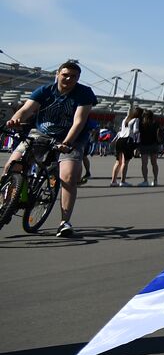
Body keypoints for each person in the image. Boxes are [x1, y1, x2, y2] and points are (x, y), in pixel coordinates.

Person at [3, 60, 96, 237]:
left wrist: (67, 143)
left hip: (71, 138)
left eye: (73, 76)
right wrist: (14, 120)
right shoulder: (45, 90)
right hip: (41, 133)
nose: (68, 78)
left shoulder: (84, 93)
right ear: (57, 74)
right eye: (65, 75)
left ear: (78, 78)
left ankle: (64, 222)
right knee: (12, 164)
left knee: (68, 177)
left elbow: (79, 121)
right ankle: (6, 201)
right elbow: (26, 109)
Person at [110, 108, 139, 186]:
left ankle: (113, 181)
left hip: (120, 140)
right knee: (125, 162)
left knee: (118, 162)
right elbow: (136, 130)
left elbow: (121, 131)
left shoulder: (124, 119)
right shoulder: (136, 119)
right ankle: (122, 181)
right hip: (128, 140)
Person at [136, 110, 162, 187]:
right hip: (154, 144)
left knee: (144, 164)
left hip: (144, 144)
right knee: (154, 163)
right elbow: (158, 133)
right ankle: (155, 180)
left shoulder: (141, 123)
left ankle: (145, 180)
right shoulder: (156, 123)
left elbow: (138, 133)